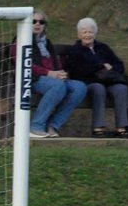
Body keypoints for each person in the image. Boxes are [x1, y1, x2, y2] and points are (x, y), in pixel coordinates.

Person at [12, 10, 86, 139]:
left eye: (41, 22)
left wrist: (60, 73)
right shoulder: (20, 41)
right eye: (33, 21)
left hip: (51, 78)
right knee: (57, 86)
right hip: (32, 79)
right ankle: (35, 126)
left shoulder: (47, 43)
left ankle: (53, 125)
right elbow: (25, 64)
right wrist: (49, 73)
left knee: (79, 87)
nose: (37, 24)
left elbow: (55, 62)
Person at [64, 17, 128, 138]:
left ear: (95, 33)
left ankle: (122, 127)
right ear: (79, 35)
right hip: (88, 82)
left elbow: (119, 64)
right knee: (98, 88)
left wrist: (112, 68)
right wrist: (99, 66)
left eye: (90, 32)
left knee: (121, 89)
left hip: (108, 81)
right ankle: (98, 126)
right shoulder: (75, 51)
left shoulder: (103, 47)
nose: (87, 35)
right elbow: (76, 71)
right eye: (84, 32)